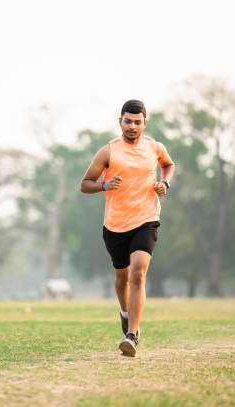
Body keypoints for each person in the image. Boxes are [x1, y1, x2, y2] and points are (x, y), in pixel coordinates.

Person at [80, 99, 175, 357]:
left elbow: (168, 165)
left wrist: (165, 183)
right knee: (121, 278)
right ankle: (125, 313)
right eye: (127, 121)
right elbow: (85, 183)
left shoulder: (155, 147)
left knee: (137, 275)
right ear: (119, 121)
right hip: (115, 225)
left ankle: (132, 334)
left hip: (146, 219)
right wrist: (103, 185)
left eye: (137, 122)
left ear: (145, 123)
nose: (132, 126)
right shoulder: (108, 151)